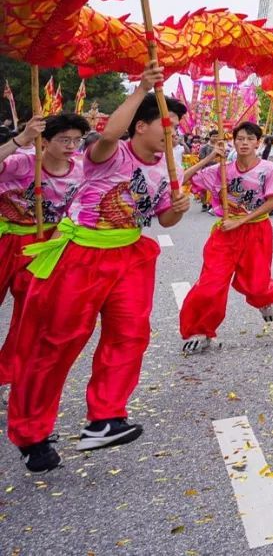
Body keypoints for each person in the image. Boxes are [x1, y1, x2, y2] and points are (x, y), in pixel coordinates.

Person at [8, 65, 189, 472]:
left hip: (131, 258)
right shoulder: (111, 154)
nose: (173, 134)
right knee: (56, 343)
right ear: (140, 126)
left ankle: (105, 418)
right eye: (167, 125)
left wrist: (179, 208)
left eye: (177, 128)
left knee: (130, 336)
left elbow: (164, 219)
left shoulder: (168, 169)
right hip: (82, 256)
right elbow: (108, 135)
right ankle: (32, 433)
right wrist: (140, 89)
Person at [0, 113, 89, 387]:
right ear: (45, 141)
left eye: (76, 140)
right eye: (64, 139)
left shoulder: (81, 170)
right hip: (8, 238)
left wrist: (55, 248)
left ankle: (5, 375)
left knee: (29, 315)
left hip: (46, 243)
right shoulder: (22, 162)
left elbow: (79, 211)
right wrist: (22, 138)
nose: (71, 146)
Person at [178, 122, 273, 352]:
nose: (244, 143)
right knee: (210, 283)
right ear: (233, 142)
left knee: (256, 284)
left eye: (250, 139)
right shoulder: (222, 170)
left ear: (258, 143)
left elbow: (272, 202)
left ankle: (267, 298)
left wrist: (240, 221)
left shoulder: (268, 169)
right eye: (240, 138)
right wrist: (210, 158)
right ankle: (201, 330)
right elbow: (181, 180)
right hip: (225, 233)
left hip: (256, 231)